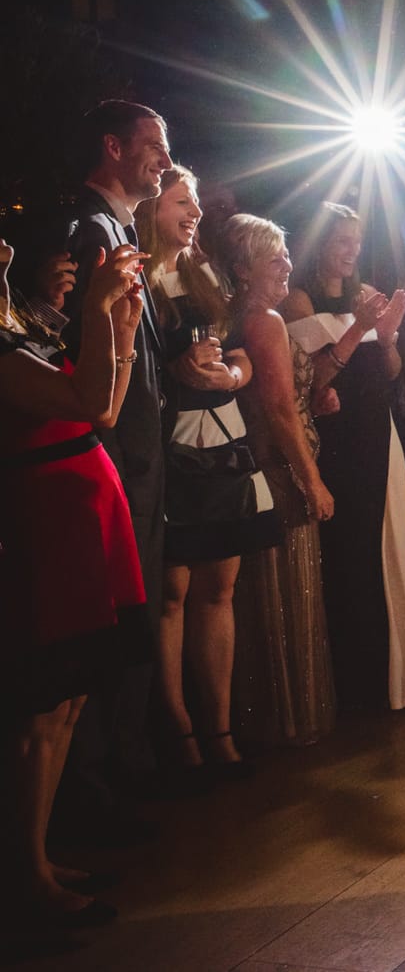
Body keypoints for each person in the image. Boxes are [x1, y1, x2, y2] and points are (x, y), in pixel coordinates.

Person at [2, 234, 147, 928]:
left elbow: (107, 409)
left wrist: (119, 328)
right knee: (43, 703)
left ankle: (39, 856)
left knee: (69, 701)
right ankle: (25, 873)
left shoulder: (17, 327)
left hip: (82, 512)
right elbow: (88, 400)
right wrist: (95, 304)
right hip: (48, 521)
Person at [53, 100, 173, 841]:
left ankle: (125, 767)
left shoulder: (122, 229)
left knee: (136, 617)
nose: (164, 158)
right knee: (117, 621)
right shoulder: (90, 232)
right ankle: (102, 786)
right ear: (113, 147)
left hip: (138, 455)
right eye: (154, 146)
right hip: (116, 458)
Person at [137, 166, 280, 781]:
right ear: (151, 206)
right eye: (180, 200)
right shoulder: (133, 277)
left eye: (196, 200)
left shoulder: (207, 274)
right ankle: (180, 733)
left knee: (220, 590)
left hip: (223, 439)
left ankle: (219, 730)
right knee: (171, 596)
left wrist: (233, 377)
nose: (194, 211)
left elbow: (242, 355)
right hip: (169, 448)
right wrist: (176, 372)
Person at [282, 202, 405, 713]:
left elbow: (389, 372)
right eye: (342, 240)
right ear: (320, 242)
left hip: (376, 431)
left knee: (384, 546)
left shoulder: (365, 295)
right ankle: (350, 682)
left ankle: (387, 678)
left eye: (357, 240)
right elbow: (313, 381)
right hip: (333, 437)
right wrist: (355, 329)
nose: (351, 250)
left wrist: (387, 335)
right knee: (345, 553)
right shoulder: (298, 300)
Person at [225, 214, 338, 746]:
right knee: (290, 592)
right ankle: (291, 721)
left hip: (256, 468)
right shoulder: (265, 320)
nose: (287, 265)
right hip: (280, 469)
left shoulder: (235, 314)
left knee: (260, 598)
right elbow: (277, 410)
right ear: (243, 269)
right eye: (274, 258)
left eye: (287, 255)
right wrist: (312, 480)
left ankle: (262, 720)